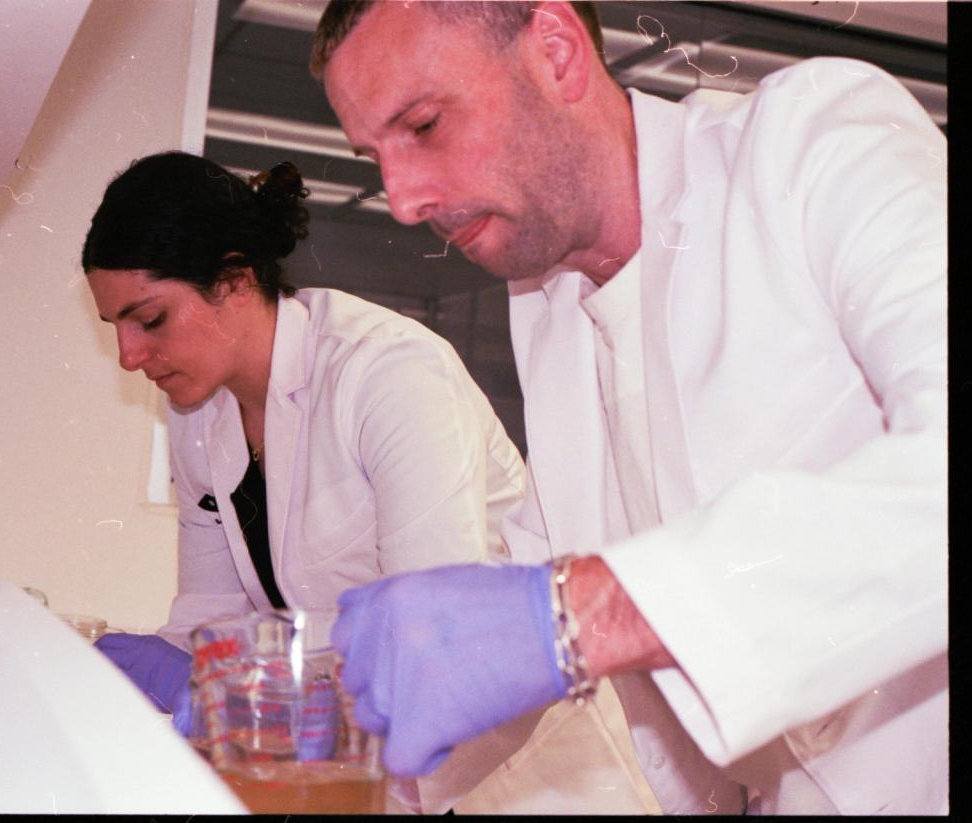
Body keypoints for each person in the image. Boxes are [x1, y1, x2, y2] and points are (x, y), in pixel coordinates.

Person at [311, 0, 947, 815]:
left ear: (556, 50)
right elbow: (538, 671)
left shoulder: (812, 140)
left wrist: (581, 614)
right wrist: (327, 727)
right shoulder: (553, 308)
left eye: (425, 125)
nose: (400, 200)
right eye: (375, 156)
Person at [78, 150, 544, 813]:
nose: (128, 356)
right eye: (115, 326)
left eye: (150, 319)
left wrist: (247, 701)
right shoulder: (197, 411)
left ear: (235, 279)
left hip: (505, 770)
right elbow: (214, 620)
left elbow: (430, 645)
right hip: (356, 772)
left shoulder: (388, 376)